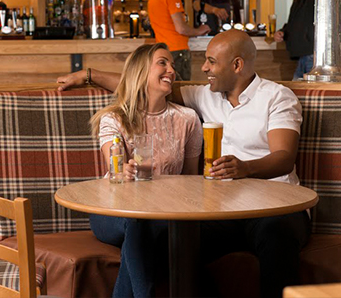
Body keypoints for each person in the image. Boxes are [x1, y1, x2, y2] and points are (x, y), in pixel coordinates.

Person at [57, 30, 310, 298]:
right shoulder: (206, 95)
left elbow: (284, 157)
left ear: (236, 65)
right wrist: (90, 75)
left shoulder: (276, 96)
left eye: (211, 62)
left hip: (277, 207)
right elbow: (142, 84)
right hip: (227, 213)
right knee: (166, 239)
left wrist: (245, 168)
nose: (204, 68)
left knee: (275, 235)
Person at [88, 42, 203, 298]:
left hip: (164, 214)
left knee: (144, 231)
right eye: (162, 63)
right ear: (140, 72)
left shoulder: (188, 120)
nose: (171, 70)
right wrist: (124, 170)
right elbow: (114, 162)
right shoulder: (114, 119)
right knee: (136, 220)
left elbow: (193, 181)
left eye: (172, 64)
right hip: (112, 211)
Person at [148, 0, 210, 81]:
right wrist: (199, 30)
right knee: (181, 89)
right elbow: (181, 28)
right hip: (178, 51)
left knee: (167, 86)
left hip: (163, 49)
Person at [274, 0, 316, 80]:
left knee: (305, 92)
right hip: (303, 56)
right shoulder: (298, 0)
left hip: (311, 57)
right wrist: (282, 32)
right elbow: (293, 24)